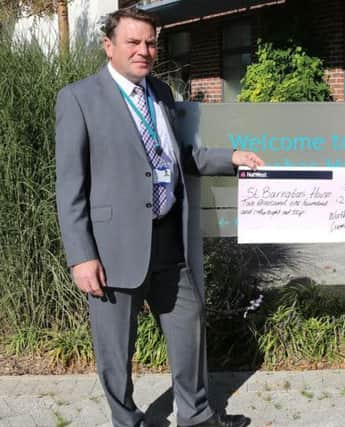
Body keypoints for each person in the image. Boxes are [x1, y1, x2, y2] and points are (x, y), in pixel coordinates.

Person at [55, 8, 264, 427]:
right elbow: (69, 186)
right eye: (133, 42)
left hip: (169, 240)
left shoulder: (162, 93)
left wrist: (230, 158)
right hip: (112, 252)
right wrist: (81, 256)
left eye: (150, 43)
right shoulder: (78, 98)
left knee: (189, 331)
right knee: (115, 350)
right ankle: (127, 419)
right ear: (109, 45)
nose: (144, 51)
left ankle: (196, 414)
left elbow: (176, 156)